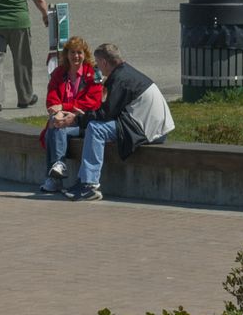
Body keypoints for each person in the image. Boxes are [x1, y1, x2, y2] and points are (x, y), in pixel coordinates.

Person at [45, 43, 173, 201]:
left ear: (104, 62)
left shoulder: (120, 79)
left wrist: (76, 119)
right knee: (93, 126)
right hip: (148, 124)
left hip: (150, 131)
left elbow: (106, 114)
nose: (97, 68)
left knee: (96, 128)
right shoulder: (124, 73)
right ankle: (83, 181)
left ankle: (90, 185)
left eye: (98, 64)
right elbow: (110, 111)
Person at [35, 37, 105, 193]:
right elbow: (51, 99)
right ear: (66, 54)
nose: (76, 56)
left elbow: (93, 102)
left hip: (83, 122)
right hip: (61, 119)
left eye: (79, 52)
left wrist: (65, 107)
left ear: (84, 54)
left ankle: (54, 178)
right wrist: (59, 112)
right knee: (56, 125)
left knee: (52, 132)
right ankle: (58, 168)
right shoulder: (59, 73)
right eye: (72, 52)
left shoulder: (93, 73)